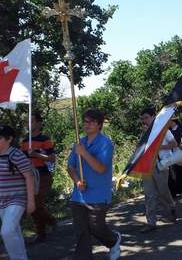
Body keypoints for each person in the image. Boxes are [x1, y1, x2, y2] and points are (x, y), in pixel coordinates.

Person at [67, 109, 121, 260]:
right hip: (79, 194)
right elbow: (70, 167)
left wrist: (84, 153)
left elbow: (101, 168)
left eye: (91, 121)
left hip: (98, 194)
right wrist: (77, 180)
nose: (87, 124)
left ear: (99, 124)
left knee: (96, 227)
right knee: (81, 232)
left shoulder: (105, 143)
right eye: (85, 121)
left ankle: (113, 240)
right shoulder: (79, 143)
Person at [0, 125, 36, 260]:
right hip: (1, 202)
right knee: (14, 231)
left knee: (7, 231)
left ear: (9, 139)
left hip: (17, 199)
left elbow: (29, 176)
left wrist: (31, 201)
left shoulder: (17, 154)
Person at [139, 107, 178, 233]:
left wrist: (158, 147)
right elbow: (140, 148)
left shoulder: (163, 130)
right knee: (149, 194)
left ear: (153, 116)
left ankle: (171, 206)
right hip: (147, 166)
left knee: (162, 191)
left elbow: (174, 144)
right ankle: (151, 222)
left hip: (161, 164)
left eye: (146, 117)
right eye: (142, 119)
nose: (145, 121)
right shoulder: (143, 132)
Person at [21, 112, 57, 244]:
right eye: (27, 122)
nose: (29, 124)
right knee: (31, 205)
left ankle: (44, 229)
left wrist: (36, 154)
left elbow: (52, 159)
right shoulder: (25, 141)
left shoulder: (45, 139)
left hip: (43, 175)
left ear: (38, 123)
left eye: (32, 121)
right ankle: (48, 224)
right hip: (29, 176)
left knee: (36, 204)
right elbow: (22, 159)